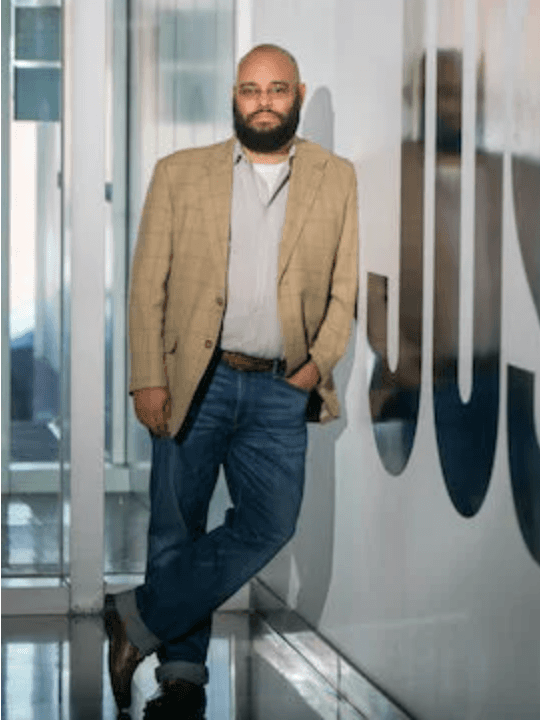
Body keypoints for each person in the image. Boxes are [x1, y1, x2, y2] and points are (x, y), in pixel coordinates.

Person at [104, 43, 359, 719]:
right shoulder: (179, 174)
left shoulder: (336, 178)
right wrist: (147, 377)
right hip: (198, 379)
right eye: (251, 89)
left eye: (277, 89)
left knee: (271, 524)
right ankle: (181, 677)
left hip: (281, 386)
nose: (263, 102)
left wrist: (314, 368)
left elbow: (344, 289)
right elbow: (146, 287)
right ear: (234, 97)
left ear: (296, 94)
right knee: (176, 528)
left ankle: (135, 618)